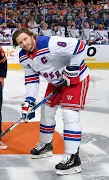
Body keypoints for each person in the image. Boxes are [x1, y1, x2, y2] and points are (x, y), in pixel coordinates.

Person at [12, 28, 89, 175]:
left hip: (76, 79)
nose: (24, 44)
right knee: (46, 111)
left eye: (25, 39)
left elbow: (80, 45)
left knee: (69, 114)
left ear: (31, 36)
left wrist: (72, 69)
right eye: (20, 43)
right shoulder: (24, 57)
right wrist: (29, 101)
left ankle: (73, 158)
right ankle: (46, 145)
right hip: (56, 82)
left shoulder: (49, 43)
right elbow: (32, 79)